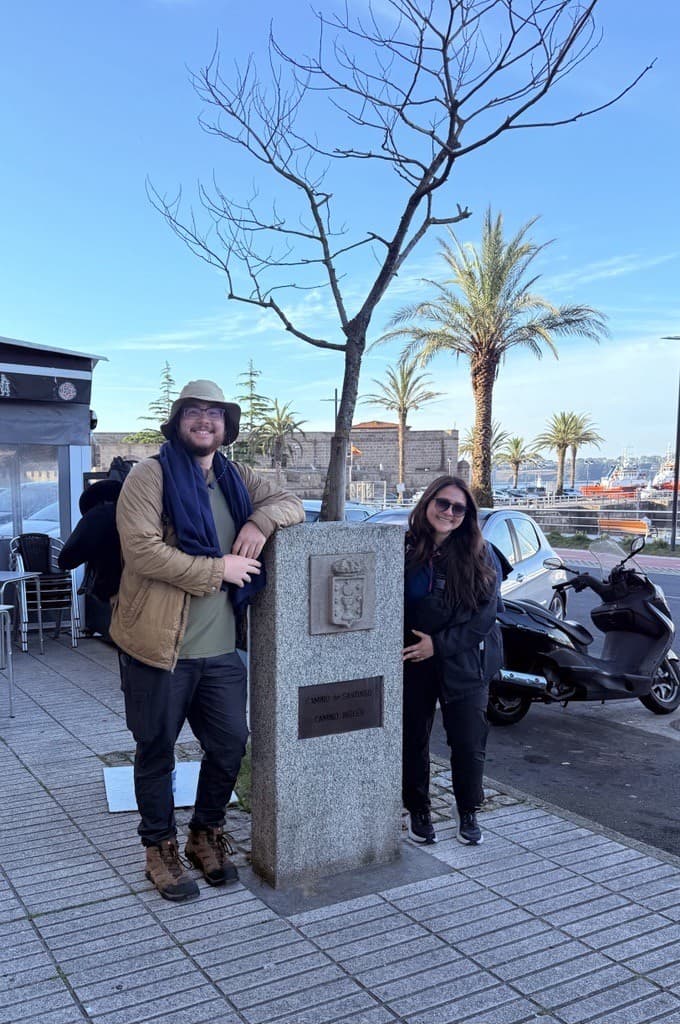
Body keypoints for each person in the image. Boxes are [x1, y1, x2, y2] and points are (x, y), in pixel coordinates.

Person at [110, 379, 304, 902]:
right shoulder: (148, 476)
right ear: (177, 422)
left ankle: (204, 833)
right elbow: (143, 552)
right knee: (155, 750)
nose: (204, 421)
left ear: (227, 426)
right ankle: (158, 848)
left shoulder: (235, 476)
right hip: (158, 647)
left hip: (220, 650)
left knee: (228, 745)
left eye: (214, 414)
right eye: (194, 412)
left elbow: (292, 503)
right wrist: (220, 566)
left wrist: (260, 521)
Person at [402, 475, 505, 847]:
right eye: (442, 504)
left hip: (465, 660)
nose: (449, 512)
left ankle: (468, 811)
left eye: (458, 507)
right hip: (414, 658)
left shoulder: (481, 552)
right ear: (428, 504)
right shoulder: (405, 548)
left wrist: (440, 645)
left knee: (467, 741)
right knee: (413, 739)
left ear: (467, 514)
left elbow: (485, 614)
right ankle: (418, 809)